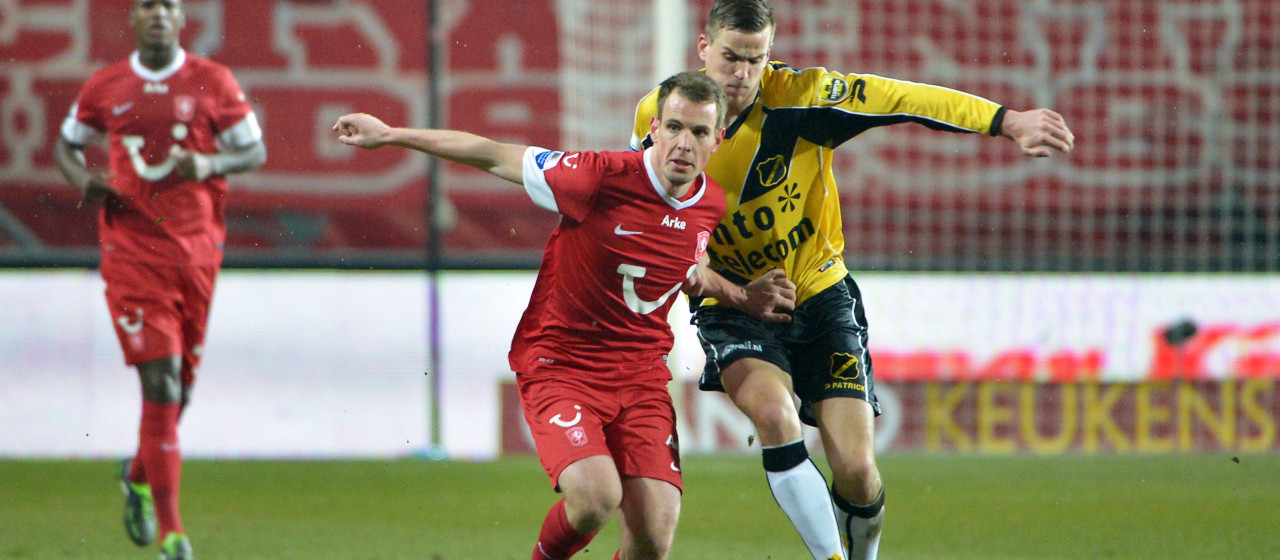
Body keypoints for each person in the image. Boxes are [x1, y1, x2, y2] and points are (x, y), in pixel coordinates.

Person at [630, 2, 1075, 559]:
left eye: (756, 59)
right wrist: (724, 287)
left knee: (859, 473)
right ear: (703, 47)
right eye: (730, 57)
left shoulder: (802, 99)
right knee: (774, 414)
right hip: (733, 304)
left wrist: (1006, 121)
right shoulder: (663, 117)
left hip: (819, 293)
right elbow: (651, 225)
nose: (742, 74)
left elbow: (904, 98)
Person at [334, 71, 793, 560]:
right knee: (596, 498)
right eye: (675, 127)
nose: (684, 143)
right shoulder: (597, 175)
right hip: (562, 365)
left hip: (640, 377)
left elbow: (689, 267)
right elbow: (491, 152)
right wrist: (391, 135)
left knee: (654, 538)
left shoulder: (711, 203)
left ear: (717, 140)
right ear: (654, 128)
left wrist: (742, 297)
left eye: (699, 132)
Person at [53, 1, 266, 558]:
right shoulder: (106, 86)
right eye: (147, 5)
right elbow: (65, 144)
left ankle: (139, 477)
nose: (157, 14)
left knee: (177, 395)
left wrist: (211, 165)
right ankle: (174, 532)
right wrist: (84, 180)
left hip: (196, 254)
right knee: (163, 385)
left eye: (167, 5)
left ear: (179, 18)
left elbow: (254, 150)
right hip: (131, 253)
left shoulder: (212, 81)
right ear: (134, 17)